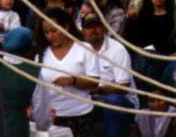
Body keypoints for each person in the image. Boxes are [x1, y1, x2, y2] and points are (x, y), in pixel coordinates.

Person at [36, 8, 100, 137]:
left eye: (54, 30)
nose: (50, 36)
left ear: (66, 27)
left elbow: (94, 82)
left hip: (80, 114)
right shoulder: (41, 54)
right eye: (46, 32)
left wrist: (73, 80)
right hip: (52, 117)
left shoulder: (85, 48)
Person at [81, 13, 138, 137]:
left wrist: (98, 90)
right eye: (89, 27)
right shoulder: (80, 50)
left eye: (97, 26)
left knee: (112, 100)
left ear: (104, 28)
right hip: (92, 99)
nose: (93, 30)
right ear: (83, 31)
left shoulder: (117, 49)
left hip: (122, 101)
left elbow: (124, 87)